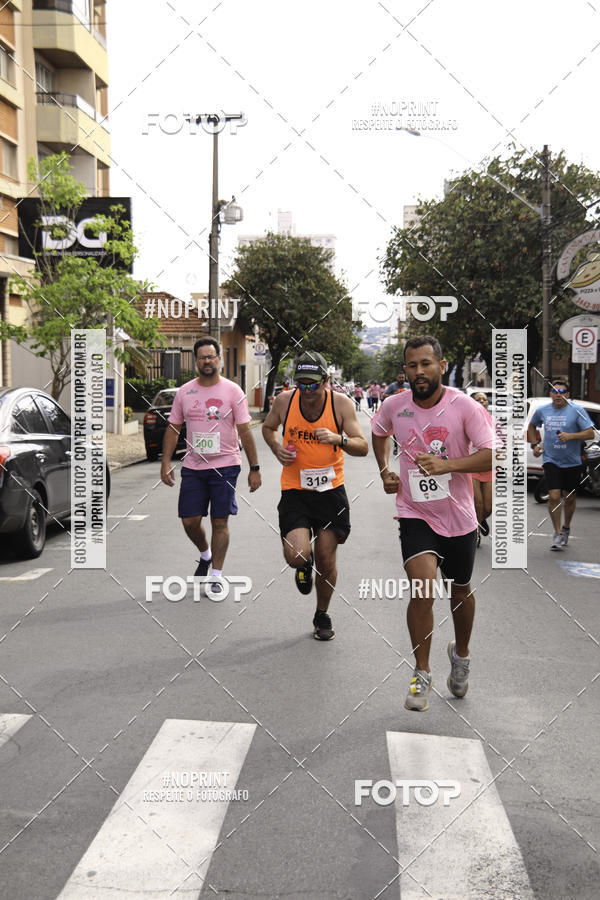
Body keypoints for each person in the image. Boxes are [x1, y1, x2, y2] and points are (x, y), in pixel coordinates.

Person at [371, 335, 494, 712]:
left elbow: (491, 456)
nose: (419, 371)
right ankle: (421, 672)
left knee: (460, 591)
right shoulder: (395, 405)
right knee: (422, 589)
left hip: (458, 516)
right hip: (414, 512)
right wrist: (385, 470)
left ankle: (461, 655)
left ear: (441, 366)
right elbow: (379, 434)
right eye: (412, 365)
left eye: (426, 363)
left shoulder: (465, 407)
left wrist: (449, 465)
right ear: (404, 370)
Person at [262, 350, 368, 640]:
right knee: (297, 555)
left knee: (326, 557)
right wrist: (275, 447)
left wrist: (339, 439)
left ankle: (322, 613)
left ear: (326, 380)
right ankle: (303, 564)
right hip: (295, 490)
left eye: (313, 384)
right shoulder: (285, 401)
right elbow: (268, 427)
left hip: (330, 492)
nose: (307, 391)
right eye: (301, 384)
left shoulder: (341, 405)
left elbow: (362, 446)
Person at [161, 337, 262, 591]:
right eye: (202, 357)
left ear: (220, 359)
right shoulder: (185, 392)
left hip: (225, 465)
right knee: (189, 521)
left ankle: (216, 574)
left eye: (211, 356)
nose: (207, 361)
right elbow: (174, 428)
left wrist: (255, 468)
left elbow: (246, 432)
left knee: (220, 521)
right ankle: (205, 554)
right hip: (194, 467)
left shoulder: (233, 391)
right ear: (196, 361)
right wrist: (165, 463)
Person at [527, 378, 595, 551]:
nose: (558, 395)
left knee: (569, 497)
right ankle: (557, 532)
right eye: (554, 392)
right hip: (551, 460)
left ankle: (566, 527)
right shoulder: (543, 410)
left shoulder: (576, 410)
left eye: (562, 392)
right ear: (550, 394)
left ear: (568, 394)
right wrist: (534, 445)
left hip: (572, 462)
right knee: (555, 496)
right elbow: (532, 426)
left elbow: (590, 433)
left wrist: (571, 436)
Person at [471, 392, 494, 543]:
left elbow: (500, 442)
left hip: (489, 465)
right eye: (478, 399)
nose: (481, 401)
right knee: (477, 502)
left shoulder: (494, 421)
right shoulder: (466, 419)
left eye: (484, 399)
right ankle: (476, 532)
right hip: (470, 465)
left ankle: (479, 519)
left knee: (487, 507)